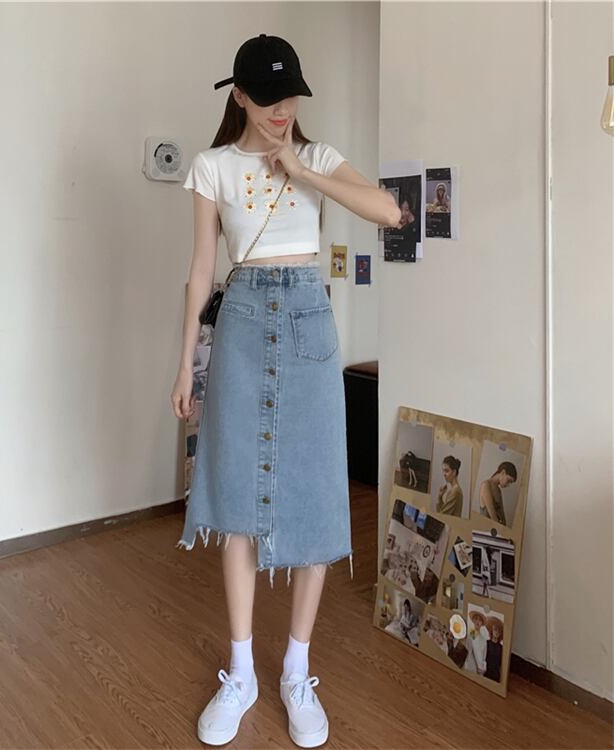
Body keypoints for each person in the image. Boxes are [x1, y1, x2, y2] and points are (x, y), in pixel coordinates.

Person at [169, 33, 401, 748]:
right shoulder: (211, 166)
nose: (281, 110)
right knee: (237, 502)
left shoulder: (318, 156)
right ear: (239, 96)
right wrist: (185, 363)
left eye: (290, 96)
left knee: (312, 495)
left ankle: (297, 670)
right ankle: (241, 672)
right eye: (267, 98)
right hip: (241, 324)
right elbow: (201, 271)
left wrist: (302, 169)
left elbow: (389, 211)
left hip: (308, 323)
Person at [478, 461, 517, 527]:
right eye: (508, 481)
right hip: (485, 528)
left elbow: (503, 516)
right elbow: (493, 518)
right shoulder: (486, 485)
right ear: (503, 472)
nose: (508, 485)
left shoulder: (498, 491)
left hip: (496, 529)